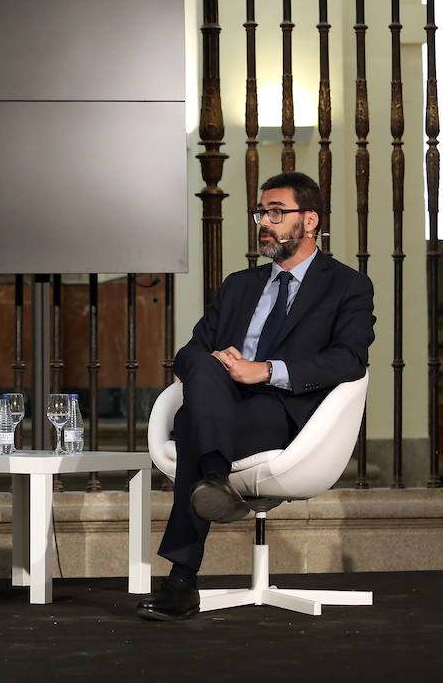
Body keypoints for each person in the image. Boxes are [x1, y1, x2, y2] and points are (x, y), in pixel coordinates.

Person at [138, 172, 374, 620]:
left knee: (191, 426)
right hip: (222, 404)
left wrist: (264, 370)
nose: (264, 222)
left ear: (309, 221)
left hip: (282, 412)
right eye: (261, 213)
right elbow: (187, 353)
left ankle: (183, 580)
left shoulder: (346, 285)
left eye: (276, 213)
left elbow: (349, 359)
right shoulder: (239, 285)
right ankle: (214, 480)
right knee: (203, 365)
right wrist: (220, 361)